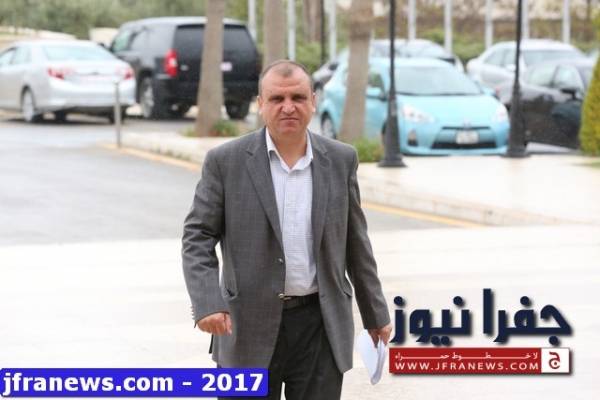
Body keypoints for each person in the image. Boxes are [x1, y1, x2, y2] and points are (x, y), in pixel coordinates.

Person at [182, 60, 391, 400]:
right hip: (246, 326)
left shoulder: (340, 160)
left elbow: (355, 242)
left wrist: (375, 313)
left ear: (313, 101)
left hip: (320, 327)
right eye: (277, 99)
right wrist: (207, 302)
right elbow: (198, 237)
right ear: (260, 104)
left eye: (298, 97)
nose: (288, 107)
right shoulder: (226, 162)